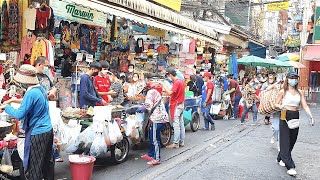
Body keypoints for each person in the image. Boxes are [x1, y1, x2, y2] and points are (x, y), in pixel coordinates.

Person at [0, 65, 54, 180]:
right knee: (46, 164)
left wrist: (6, 107)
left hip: (38, 133)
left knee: (34, 167)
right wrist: (13, 100)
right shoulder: (40, 88)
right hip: (48, 130)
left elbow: (20, 114)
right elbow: (28, 102)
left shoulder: (31, 93)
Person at [275, 72, 314, 176]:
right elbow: (276, 103)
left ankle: (280, 157)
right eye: (292, 78)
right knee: (285, 140)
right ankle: (290, 166)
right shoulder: (282, 91)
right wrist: (280, 106)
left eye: (296, 78)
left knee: (292, 140)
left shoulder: (299, 92)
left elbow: (304, 105)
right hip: (284, 115)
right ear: (287, 79)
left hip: (295, 115)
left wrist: (310, 115)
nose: (294, 80)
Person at [141, 82, 169, 166]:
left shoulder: (150, 93)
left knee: (154, 139)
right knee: (152, 136)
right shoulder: (155, 92)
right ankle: (151, 154)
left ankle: (157, 158)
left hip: (157, 119)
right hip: (161, 117)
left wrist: (140, 108)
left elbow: (148, 106)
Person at [163, 68, 185, 149]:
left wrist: (164, 85)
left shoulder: (177, 82)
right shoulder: (181, 81)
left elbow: (170, 92)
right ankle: (182, 142)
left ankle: (176, 143)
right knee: (181, 124)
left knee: (176, 125)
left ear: (171, 75)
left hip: (177, 105)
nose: (169, 77)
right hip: (181, 104)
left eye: (169, 75)